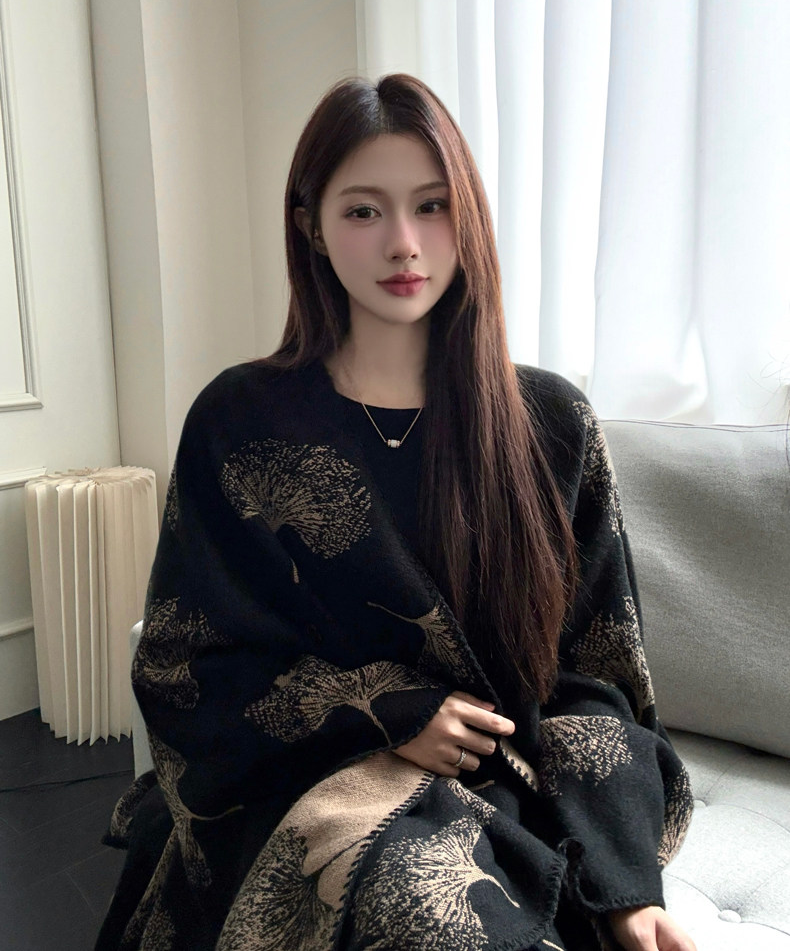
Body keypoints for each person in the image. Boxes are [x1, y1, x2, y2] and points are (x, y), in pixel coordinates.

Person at [97, 74, 696, 951]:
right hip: (303, 777)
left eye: (431, 205)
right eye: (363, 211)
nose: (404, 243)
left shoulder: (551, 424)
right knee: (418, 909)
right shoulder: (239, 421)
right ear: (311, 225)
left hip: (498, 779)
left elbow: (597, 674)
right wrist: (388, 708)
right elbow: (185, 661)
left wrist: (625, 888)